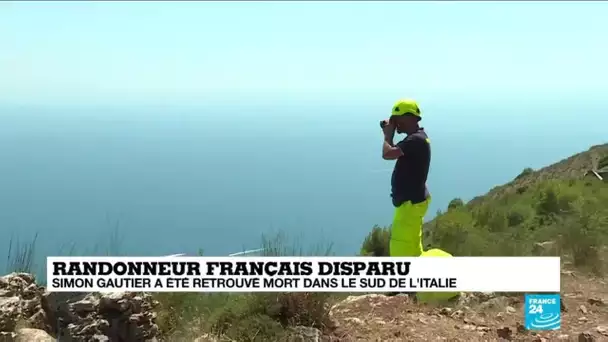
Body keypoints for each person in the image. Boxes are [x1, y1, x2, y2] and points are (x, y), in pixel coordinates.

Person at [381, 99, 431, 259]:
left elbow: (387, 154)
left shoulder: (415, 140)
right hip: (413, 201)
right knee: (410, 243)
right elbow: (396, 151)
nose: (396, 124)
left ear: (410, 117)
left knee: (401, 249)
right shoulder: (417, 138)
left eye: (397, 119)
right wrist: (389, 135)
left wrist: (388, 135)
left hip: (410, 203)